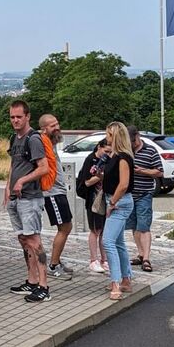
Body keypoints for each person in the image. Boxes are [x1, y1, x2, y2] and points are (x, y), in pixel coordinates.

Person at [1, 100, 51, 303]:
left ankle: (43, 286)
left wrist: (22, 180)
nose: (15, 120)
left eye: (18, 117)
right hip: (16, 197)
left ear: (27, 116)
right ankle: (31, 280)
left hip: (30, 198)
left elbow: (43, 167)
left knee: (34, 240)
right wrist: (8, 186)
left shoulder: (34, 139)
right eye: (12, 117)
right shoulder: (15, 138)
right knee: (23, 239)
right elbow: (14, 163)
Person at [101, 122, 135, 300]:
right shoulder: (113, 155)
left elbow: (123, 184)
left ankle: (116, 282)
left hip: (119, 202)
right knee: (119, 242)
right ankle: (126, 279)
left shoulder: (123, 157)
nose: (106, 138)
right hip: (114, 200)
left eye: (109, 134)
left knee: (108, 241)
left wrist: (112, 202)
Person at [39, 114, 73, 280]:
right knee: (65, 228)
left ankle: (56, 260)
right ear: (44, 129)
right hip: (52, 192)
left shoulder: (51, 145)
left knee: (66, 227)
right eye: (53, 126)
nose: (57, 127)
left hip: (59, 191)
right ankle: (52, 265)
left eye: (57, 123)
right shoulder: (42, 144)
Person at [127, 126, 162, 273]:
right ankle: (141, 254)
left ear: (138, 136)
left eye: (133, 141)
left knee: (144, 226)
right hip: (129, 195)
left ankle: (146, 258)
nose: (132, 144)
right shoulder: (126, 151)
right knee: (134, 226)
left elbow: (159, 172)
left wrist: (143, 171)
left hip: (144, 194)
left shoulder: (150, 150)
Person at [76, 139, 110, 273]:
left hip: (105, 197)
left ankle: (104, 259)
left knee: (104, 231)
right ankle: (93, 259)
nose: (107, 154)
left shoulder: (108, 160)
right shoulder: (91, 160)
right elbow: (87, 182)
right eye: (106, 151)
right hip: (93, 198)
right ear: (99, 147)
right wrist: (101, 177)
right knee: (95, 230)